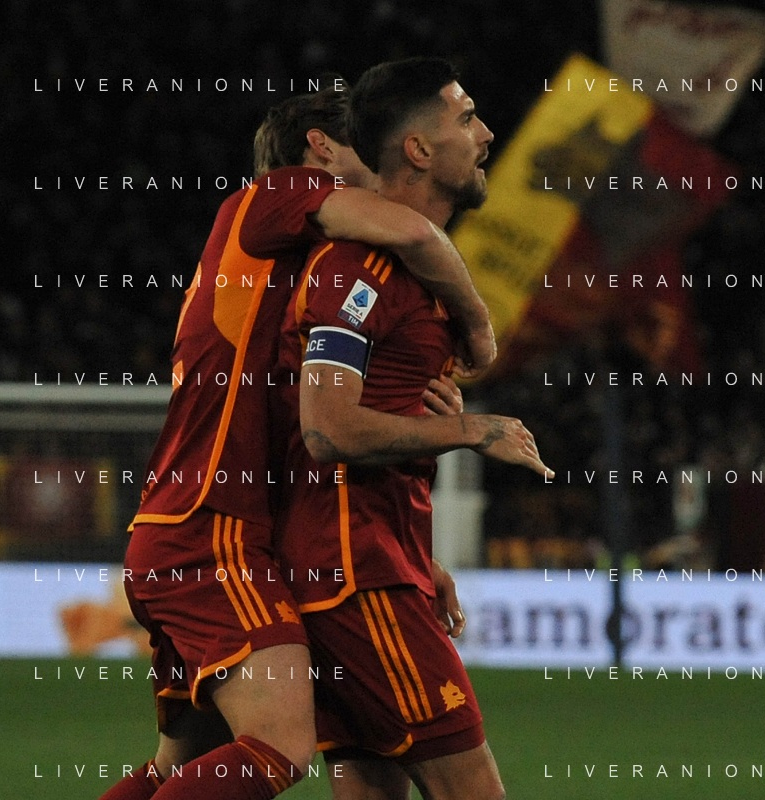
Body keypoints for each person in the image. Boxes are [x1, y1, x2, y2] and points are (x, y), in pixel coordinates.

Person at [103, 85, 493, 800]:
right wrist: (478, 327)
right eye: (363, 146)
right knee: (280, 744)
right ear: (320, 148)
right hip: (211, 530)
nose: (378, 167)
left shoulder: (293, 265)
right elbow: (413, 232)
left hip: (200, 526)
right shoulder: (272, 196)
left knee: (177, 769)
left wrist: (407, 550)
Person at [273, 57, 550, 800]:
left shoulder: (412, 267)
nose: (486, 135)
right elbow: (326, 430)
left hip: (372, 563)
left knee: (374, 790)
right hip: (355, 577)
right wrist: (468, 432)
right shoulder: (357, 268)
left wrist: (417, 555)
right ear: (419, 150)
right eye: (467, 119)